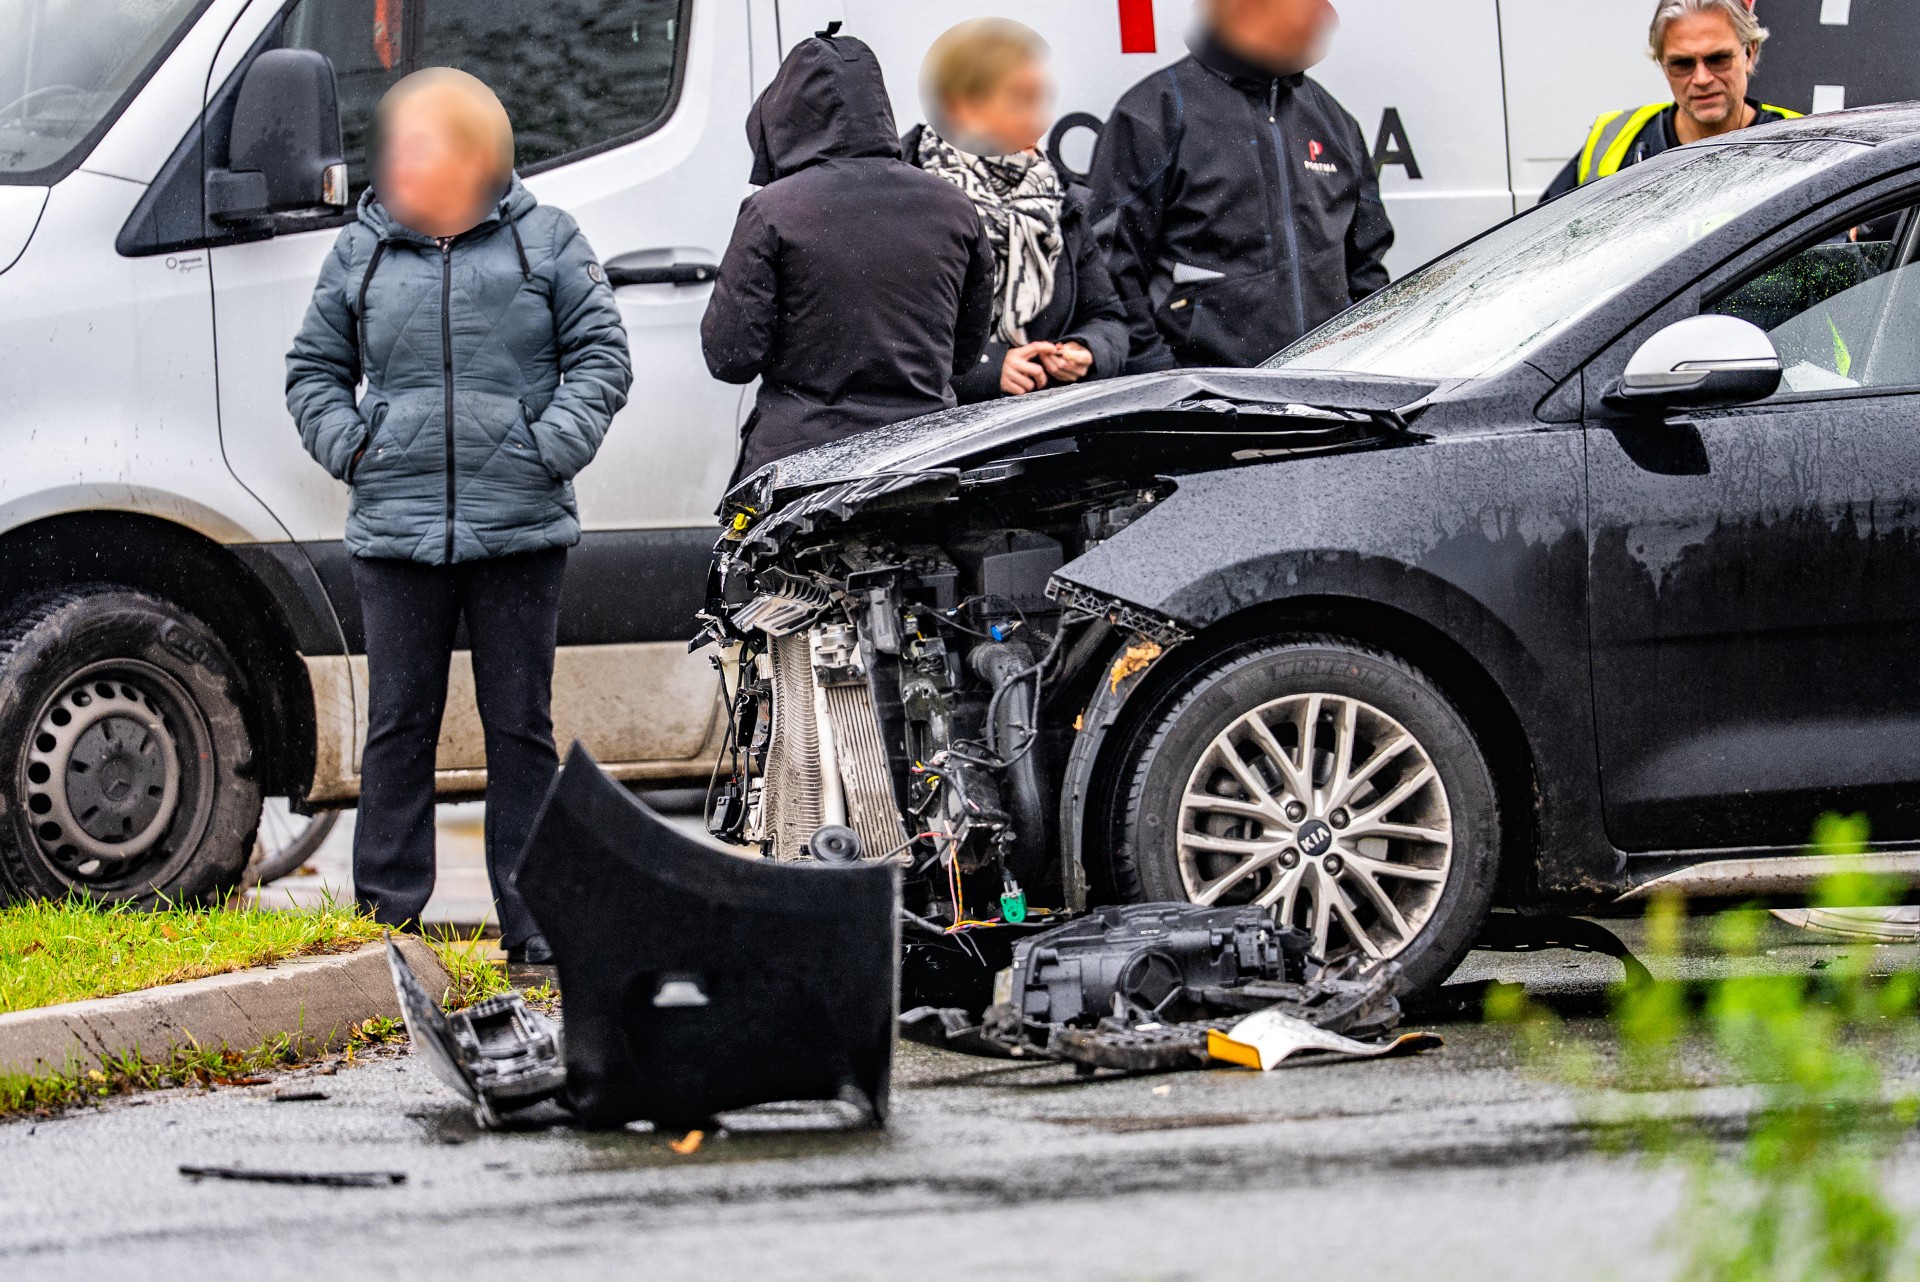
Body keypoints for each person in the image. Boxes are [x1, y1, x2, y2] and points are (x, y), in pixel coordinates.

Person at [286, 69, 632, 964]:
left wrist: (546, 448)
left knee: (521, 728)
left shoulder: (548, 240)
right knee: (398, 725)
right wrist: (357, 449)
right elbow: (312, 371)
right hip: (397, 530)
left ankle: (533, 925)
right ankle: (387, 926)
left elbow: (602, 356)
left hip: (518, 526)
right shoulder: (361, 250)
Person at [702, 27, 996, 475]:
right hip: (924, 459)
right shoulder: (953, 206)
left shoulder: (774, 210)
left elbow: (731, 358)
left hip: (802, 464)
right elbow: (963, 355)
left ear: (785, 115)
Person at [1088, 0, 1392, 373]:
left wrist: (1363, 363)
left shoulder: (1332, 120)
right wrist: (1162, 380)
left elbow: (1366, 267)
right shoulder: (1156, 111)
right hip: (1207, 405)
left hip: (1323, 397)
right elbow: (1110, 269)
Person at [902, 19, 1128, 402]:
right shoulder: (909, 196)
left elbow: (1109, 317)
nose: (1035, 120)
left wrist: (1086, 352)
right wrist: (988, 368)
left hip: (1047, 431)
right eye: (1017, 99)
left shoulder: (1057, 198)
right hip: (945, 437)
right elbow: (892, 337)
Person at [1540, 0, 1801, 202]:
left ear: (1749, 53)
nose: (1701, 78)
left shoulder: (1802, 141)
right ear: (1662, 65)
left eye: (1718, 58)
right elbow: (1546, 241)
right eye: (1682, 64)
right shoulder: (1614, 139)